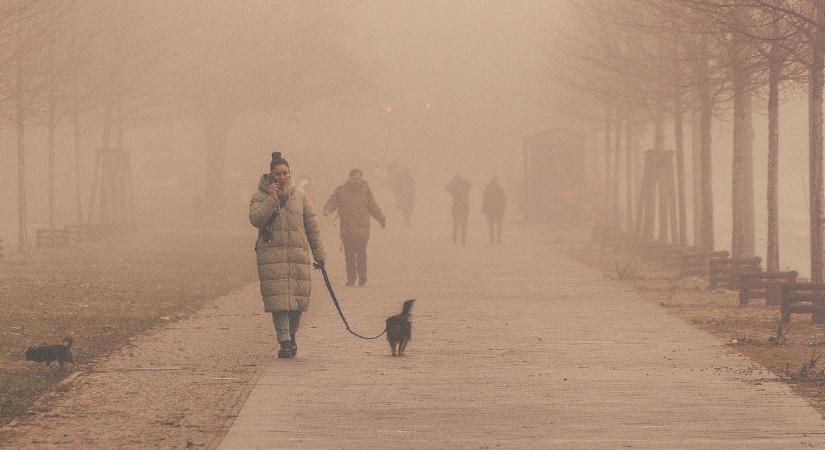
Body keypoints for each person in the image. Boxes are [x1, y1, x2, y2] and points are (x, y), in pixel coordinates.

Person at [249, 151, 326, 359]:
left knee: (297, 302)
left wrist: (320, 255)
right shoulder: (260, 196)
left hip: (297, 256)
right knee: (280, 303)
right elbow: (255, 220)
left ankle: (291, 335)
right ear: (271, 176)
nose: (282, 178)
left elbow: (312, 228)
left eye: (285, 173)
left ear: (290, 174)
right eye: (277, 174)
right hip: (272, 256)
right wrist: (271, 200)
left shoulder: (301, 197)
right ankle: (284, 340)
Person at [324, 168, 386, 287]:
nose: (356, 180)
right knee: (349, 255)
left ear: (362, 178)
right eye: (353, 178)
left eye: (358, 178)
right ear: (349, 178)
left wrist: (381, 218)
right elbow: (332, 201)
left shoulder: (366, 191)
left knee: (361, 254)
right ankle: (351, 278)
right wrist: (327, 209)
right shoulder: (341, 190)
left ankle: (362, 277)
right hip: (347, 230)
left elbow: (373, 206)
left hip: (362, 229)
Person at [446, 174, 471, 245]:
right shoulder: (462, 188)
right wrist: (461, 180)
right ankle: (460, 239)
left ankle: (457, 238)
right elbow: (470, 185)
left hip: (458, 207)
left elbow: (447, 187)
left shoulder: (455, 189)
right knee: (461, 224)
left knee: (457, 224)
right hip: (462, 207)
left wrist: (454, 180)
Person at [481, 177, 507, 245]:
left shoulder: (497, 189)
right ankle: (494, 239)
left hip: (498, 210)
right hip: (492, 210)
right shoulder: (489, 190)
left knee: (496, 225)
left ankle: (497, 239)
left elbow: (503, 200)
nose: (495, 183)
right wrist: (484, 209)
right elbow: (485, 200)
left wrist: (503, 208)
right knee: (493, 225)